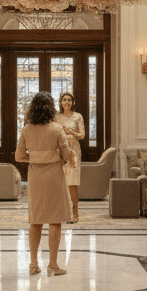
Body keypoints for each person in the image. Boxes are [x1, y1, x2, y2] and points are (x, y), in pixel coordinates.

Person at [16, 91, 75, 277]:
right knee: (55, 220)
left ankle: (33, 264)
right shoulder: (57, 129)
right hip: (54, 176)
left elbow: (19, 156)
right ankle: (53, 264)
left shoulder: (27, 129)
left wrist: (35, 157)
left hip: (35, 177)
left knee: (35, 220)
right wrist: (57, 156)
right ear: (51, 108)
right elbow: (66, 155)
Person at [57, 92, 85, 222]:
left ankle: (75, 210)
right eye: (64, 100)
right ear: (61, 102)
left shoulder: (77, 116)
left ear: (72, 102)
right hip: (61, 150)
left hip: (74, 150)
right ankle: (63, 211)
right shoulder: (56, 117)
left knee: (72, 182)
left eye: (69, 100)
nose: (66, 102)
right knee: (61, 182)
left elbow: (82, 135)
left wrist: (70, 132)